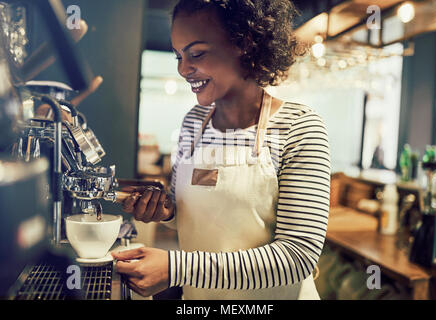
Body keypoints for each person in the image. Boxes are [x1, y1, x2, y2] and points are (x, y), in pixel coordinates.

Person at [112, 0, 331, 300]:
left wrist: (178, 268)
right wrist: (165, 211)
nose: (183, 69)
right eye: (178, 55)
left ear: (245, 42)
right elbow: (190, 216)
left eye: (197, 53)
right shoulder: (193, 124)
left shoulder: (299, 128)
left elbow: (297, 257)